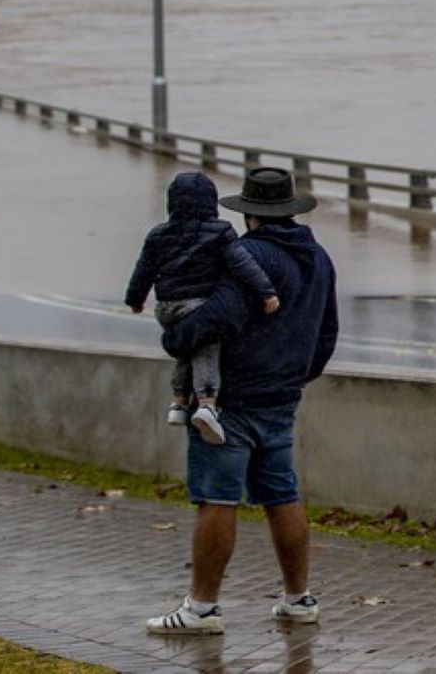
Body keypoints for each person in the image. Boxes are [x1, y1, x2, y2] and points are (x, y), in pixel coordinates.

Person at [144, 167, 340, 636]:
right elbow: (327, 331)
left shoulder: (248, 255)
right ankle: (298, 600)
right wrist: (295, 377)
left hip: (230, 399)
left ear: (248, 211)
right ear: (289, 208)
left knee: (216, 498)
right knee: (282, 494)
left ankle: (202, 609)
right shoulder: (319, 256)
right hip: (282, 397)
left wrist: (176, 338)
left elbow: (218, 318)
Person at [124, 171, 281, 445]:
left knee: (187, 348)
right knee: (207, 348)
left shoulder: (158, 234)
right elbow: (242, 265)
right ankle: (207, 404)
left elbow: (143, 271)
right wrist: (266, 291)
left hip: (166, 307)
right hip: (197, 304)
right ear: (211, 203)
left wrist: (135, 300)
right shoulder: (220, 232)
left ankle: (179, 403)